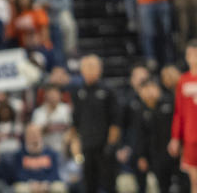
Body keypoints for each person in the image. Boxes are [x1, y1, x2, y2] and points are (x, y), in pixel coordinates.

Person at [72, 54, 120, 193]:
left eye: (93, 66)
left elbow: (115, 122)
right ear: (81, 70)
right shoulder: (78, 92)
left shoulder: (108, 91)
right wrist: (76, 143)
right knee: (88, 185)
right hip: (87, 146)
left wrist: (110, 145)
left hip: (104, 146)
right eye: (86, 67)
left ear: (100, 69)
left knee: (109, 185)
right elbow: (76, 121)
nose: (89, 70)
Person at [131, 77, 174, 193]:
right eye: (146, 88)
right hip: (152, 154)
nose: (149, 92)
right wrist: (141, 156)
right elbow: (140, 136)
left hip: (172, 152)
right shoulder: (140, 110)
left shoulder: (170, 103)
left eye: (152, 88)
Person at [171, 40, 197, 193]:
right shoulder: (183, 80)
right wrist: (175, 137)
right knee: (194, 179)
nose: (192, 57)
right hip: (190, 136)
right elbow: (179, 112)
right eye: (189, 54)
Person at [11, 123, 65, 193]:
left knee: (59, 187)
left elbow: (55, 174)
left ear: (41, 135)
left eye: (36, 134)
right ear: (26, 137)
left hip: (47, 184)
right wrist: (31, 183)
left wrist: (46, 183)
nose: (34, 137)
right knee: (21, 189)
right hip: (27, 184)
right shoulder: (19, 155)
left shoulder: (51, 153)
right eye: (31, 134)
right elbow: (18, 174)